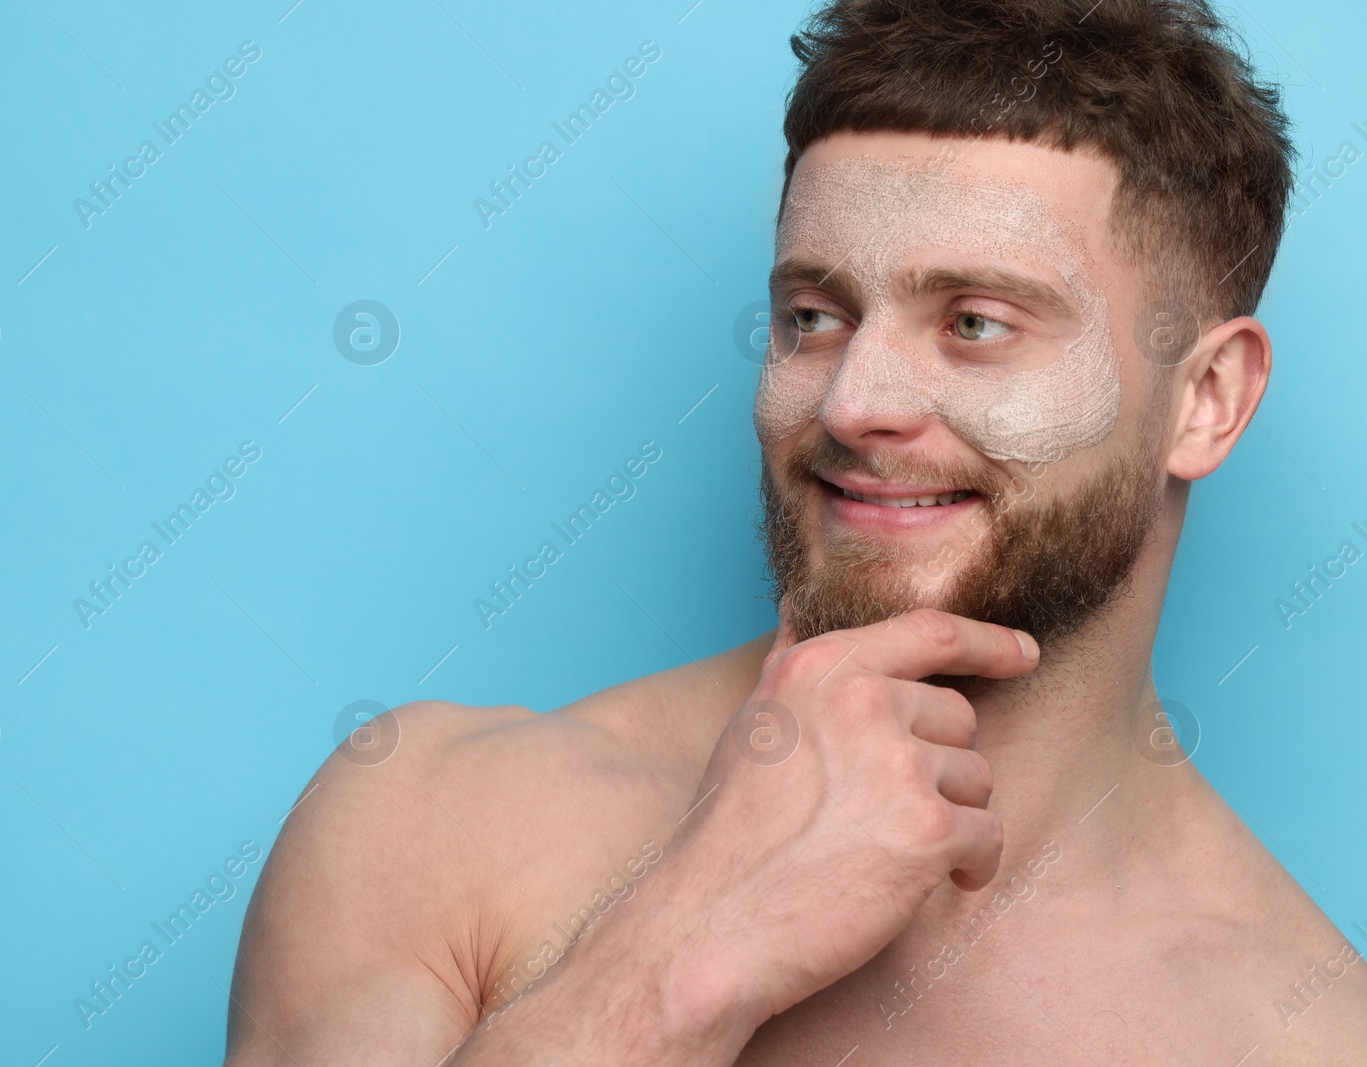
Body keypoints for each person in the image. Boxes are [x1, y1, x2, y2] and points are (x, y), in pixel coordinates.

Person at [223, 0, 1367, 1062]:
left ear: (1205, 397)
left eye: (974, 322)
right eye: (813, 315)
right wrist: (671, 956)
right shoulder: (432, 816)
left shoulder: (1300, 1028)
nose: (848, 400)